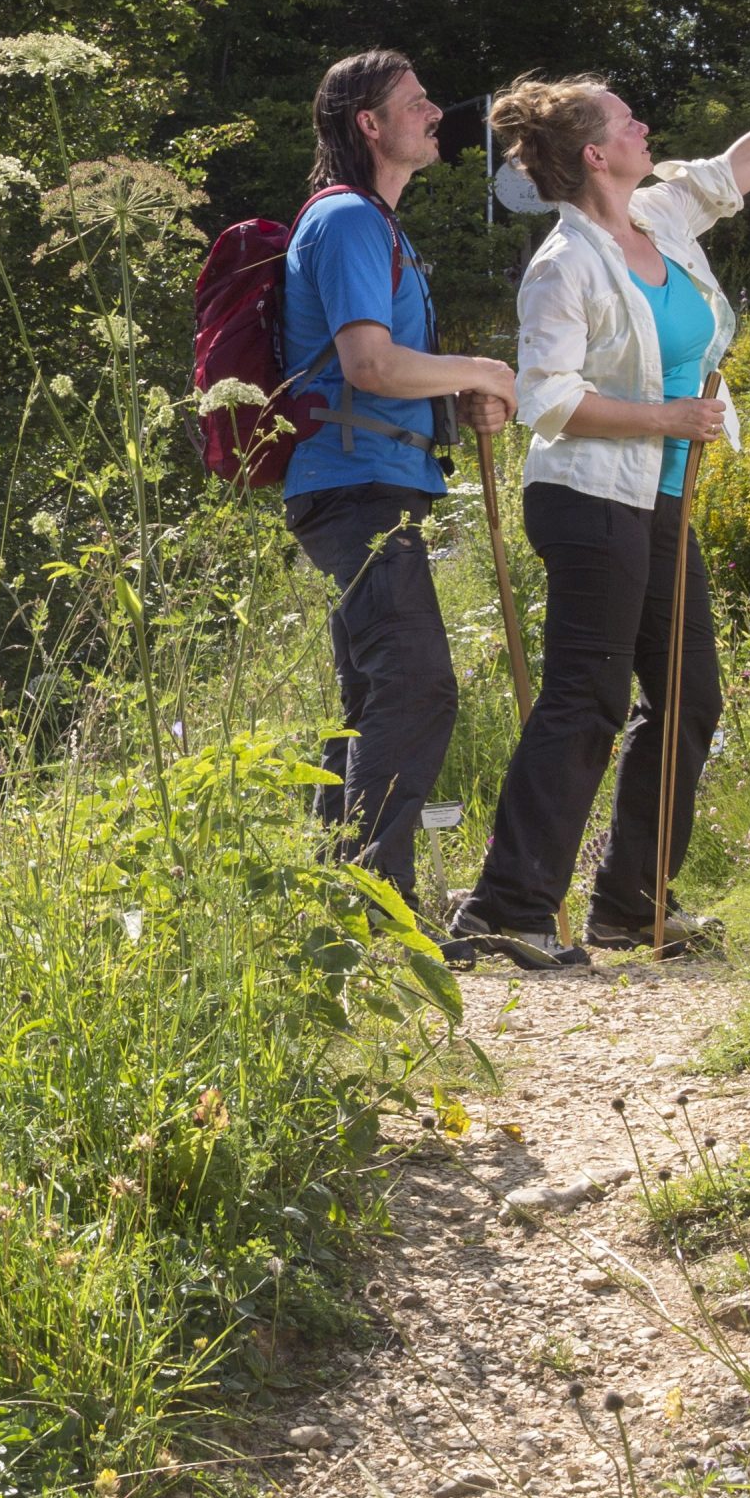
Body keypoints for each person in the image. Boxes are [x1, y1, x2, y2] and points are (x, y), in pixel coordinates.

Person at [456, 48, 750, 956]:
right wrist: (666, 417)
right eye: (627, 121)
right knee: (586, 696)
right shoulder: (563, 265)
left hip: (658, 502)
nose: (644, 127)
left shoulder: (657, 216)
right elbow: (547, 399)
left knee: (691, 698)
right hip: (586, 500)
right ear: (594, 154)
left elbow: (738, 168)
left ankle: (630, 903)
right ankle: (507, 910)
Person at [281, 52, 517, 928]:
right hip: (356, 490)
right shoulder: (347, 220)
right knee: (416, 687)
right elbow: (370, 365)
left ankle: (334, 909)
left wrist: (457, 394)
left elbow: (386, 371)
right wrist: (484, 368)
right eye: (415, 103)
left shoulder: (379, 226)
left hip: (366, 484)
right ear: (368, 124)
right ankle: (378, 910)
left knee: (373, 697)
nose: (434, 113)